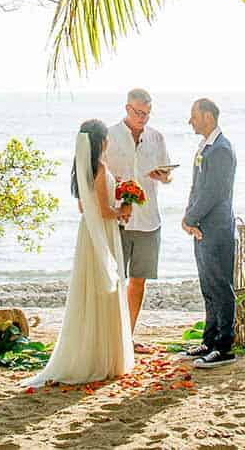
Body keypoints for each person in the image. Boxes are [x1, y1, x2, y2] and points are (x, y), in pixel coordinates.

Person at [23, 119, 135, 387]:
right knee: (104, 289)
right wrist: (123, 210)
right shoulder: (100, 168)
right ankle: (105, 359)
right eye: (106, 137)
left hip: (88, 232)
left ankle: (95, 353)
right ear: (101, 141)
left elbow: (85, 209)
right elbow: (105, 211)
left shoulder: (81, 169)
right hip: (104, 231)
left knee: (91, 290)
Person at [105, 86, 173, 344]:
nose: (142, 117)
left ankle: (127, 338)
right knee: (113, 281)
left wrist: (164, 176)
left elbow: (167, 175)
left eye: (147, 113)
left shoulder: (157, 138)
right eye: (138, 112)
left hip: (148, 220)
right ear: (127, 108)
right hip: (118, 218)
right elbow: (99, 174)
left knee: (138, 282)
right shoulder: (110, 135)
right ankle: (111, 337)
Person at [180, 97, 236, 368]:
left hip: (217, 228)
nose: (190, 120)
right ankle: (209, 340)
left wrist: (190, 217)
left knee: (220, 286)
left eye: (194, 115)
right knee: (207, 287)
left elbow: (214, 192)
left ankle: (225, 347)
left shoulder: (222, 149)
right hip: (202, 227)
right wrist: (189, 218)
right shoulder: (205, 147)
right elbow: (196, 189)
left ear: (208, 117)